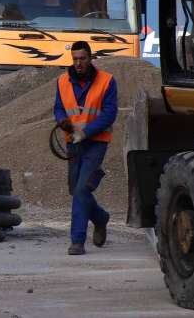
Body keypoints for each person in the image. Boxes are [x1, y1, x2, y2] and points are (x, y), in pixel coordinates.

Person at [53, 40, 118, 256]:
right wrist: (63, 121)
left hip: (96, 142)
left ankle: (77, 241)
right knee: (75, 189)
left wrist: (86, 131)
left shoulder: (107, 81)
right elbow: (59, 108)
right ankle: (101, 218)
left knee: (81, 189)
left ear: (91, 58)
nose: (78, 63)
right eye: (75, 59)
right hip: (73, 142)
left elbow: (110, 114)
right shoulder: (62, 81)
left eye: (82, 59)